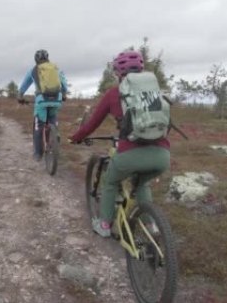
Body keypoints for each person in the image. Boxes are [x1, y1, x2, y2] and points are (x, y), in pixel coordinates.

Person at [68, 51, 170, 237]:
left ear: (117, 73)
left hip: (130, 155)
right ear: (142, 69)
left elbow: (91, 125)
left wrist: (75, 137)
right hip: (162, 156)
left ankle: (105, 225)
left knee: (110, 182)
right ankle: (151, 225)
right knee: (141, 184)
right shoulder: (154, 92)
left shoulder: (114, 94)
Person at [18, 49, 68, 161]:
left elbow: (25, 84)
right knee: (53, 120)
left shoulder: (33, 70)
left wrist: (20, 96)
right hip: (56, 100)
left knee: (38, 126)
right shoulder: (56, 68)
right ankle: (55, 140)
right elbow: (64, 83)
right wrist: (64, 94)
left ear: (36, 59)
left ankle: (38, 153)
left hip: (41, 100)